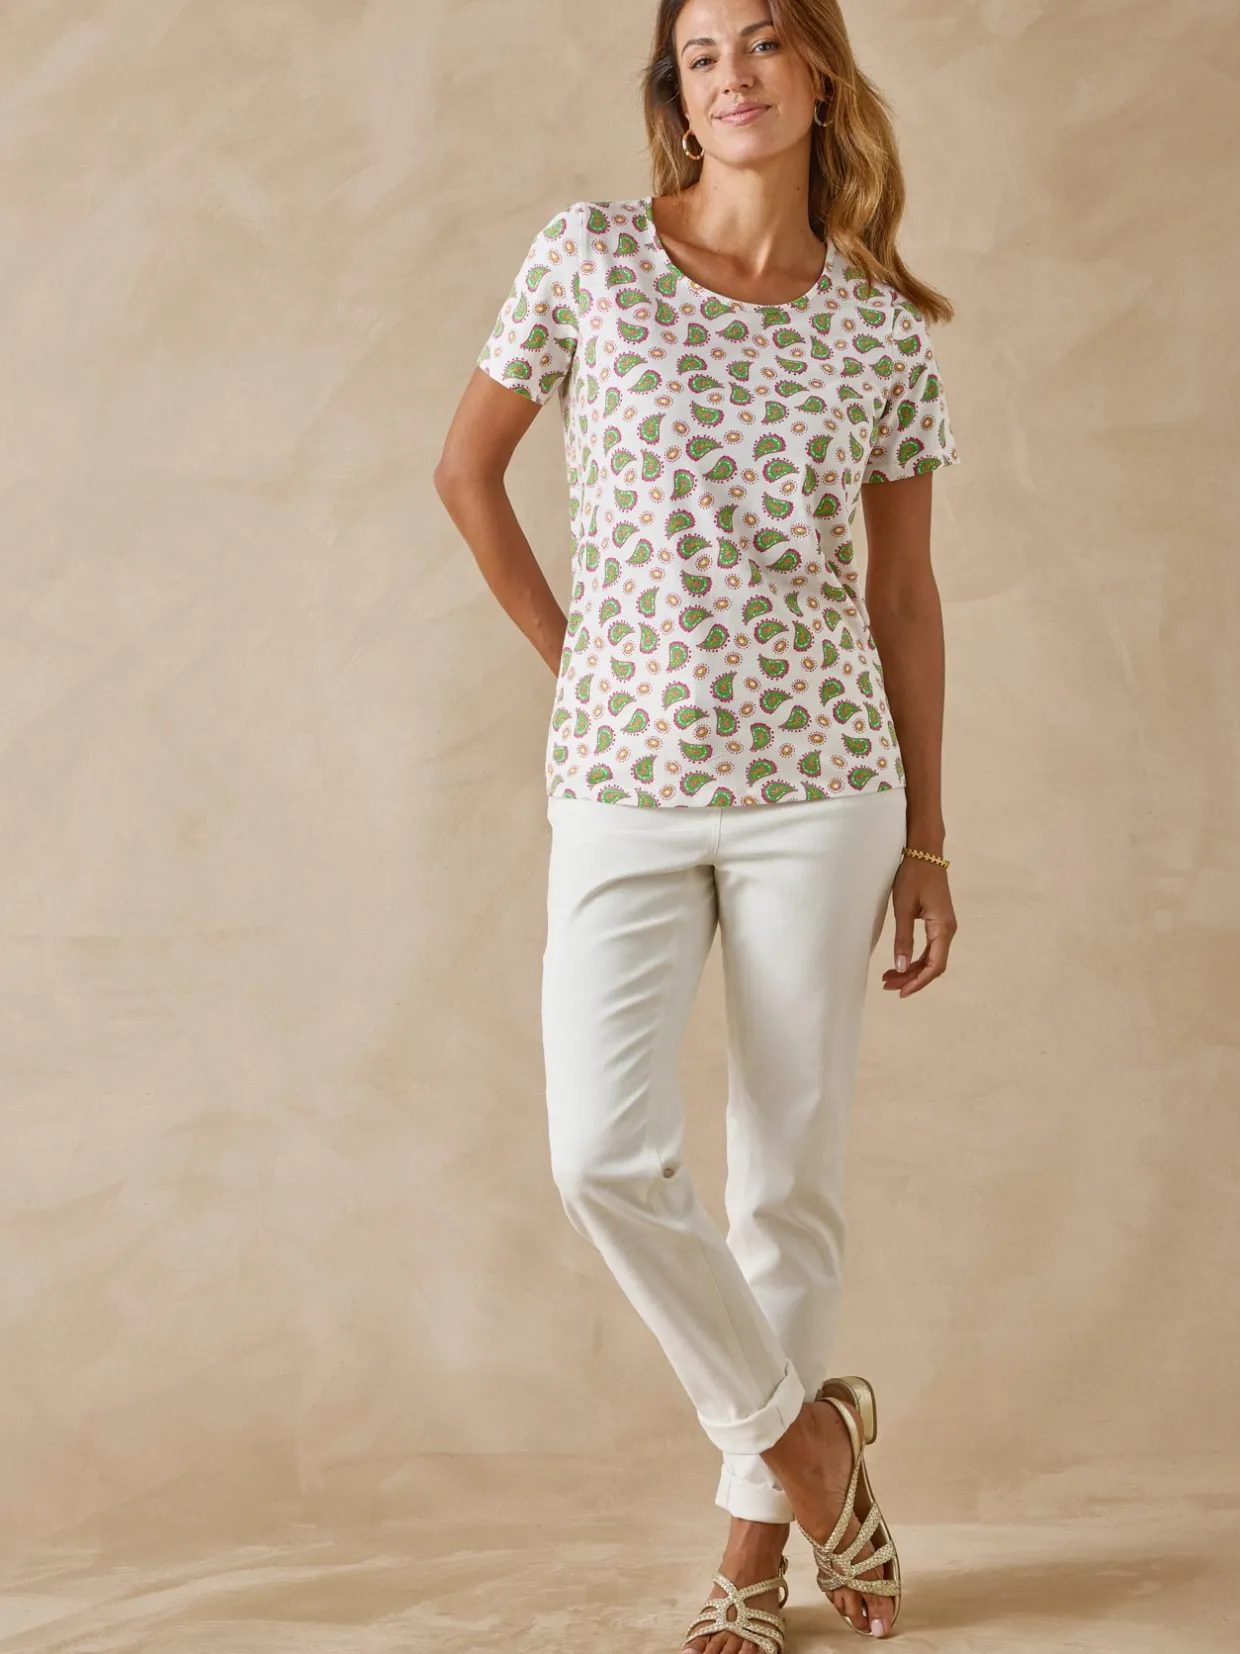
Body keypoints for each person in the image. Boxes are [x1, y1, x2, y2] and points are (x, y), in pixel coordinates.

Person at [435, 1, 960, 1645]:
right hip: (626, 782)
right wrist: (580, 657)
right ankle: (812, 1449)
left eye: (764, 42)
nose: (733, 74)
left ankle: (748, 1553)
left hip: (826, 788)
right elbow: (466, 471)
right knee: (601, 1154)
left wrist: (930, 838)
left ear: (820, 75)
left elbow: (905, 596)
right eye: (703, 52)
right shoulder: (590, 256)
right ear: (678, 89)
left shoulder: (877, 328)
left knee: (785, 1179)